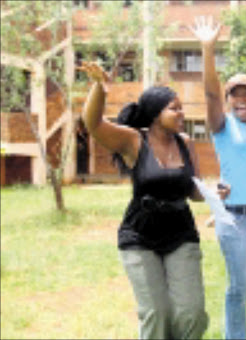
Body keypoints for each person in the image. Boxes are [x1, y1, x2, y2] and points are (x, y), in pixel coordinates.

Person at [80, 61, 209, 339]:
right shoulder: (133, 141)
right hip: (140, 235)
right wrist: (99, 88)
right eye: (174, 108)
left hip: (180, 232)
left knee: (192, 313)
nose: (181, 113)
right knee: (156, 312)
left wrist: (214, 192)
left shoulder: (185, 143)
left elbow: (194, 192)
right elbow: (93, 124)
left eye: (181, 107)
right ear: (154, 114)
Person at [189, 16, 246, 339]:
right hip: (237, 218)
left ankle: (233, 239)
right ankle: (235, 335)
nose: (241, 98)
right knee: (240, 286)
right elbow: (211, 94)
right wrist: (208, 48)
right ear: (228, 100)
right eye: (234, 93)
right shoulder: (223, 127)